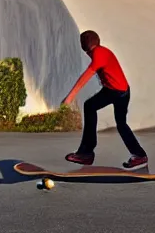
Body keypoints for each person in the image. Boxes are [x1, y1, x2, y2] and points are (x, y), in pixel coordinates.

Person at [61, 30, 148, 169]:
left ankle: (86, 153)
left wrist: (70, 97)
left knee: (90, 107)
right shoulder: (102, 51)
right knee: (120, 124)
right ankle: (139, 155)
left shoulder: (98, 54)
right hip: (121, 91)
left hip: (116, 92)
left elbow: (86, 77)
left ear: (85, 48)